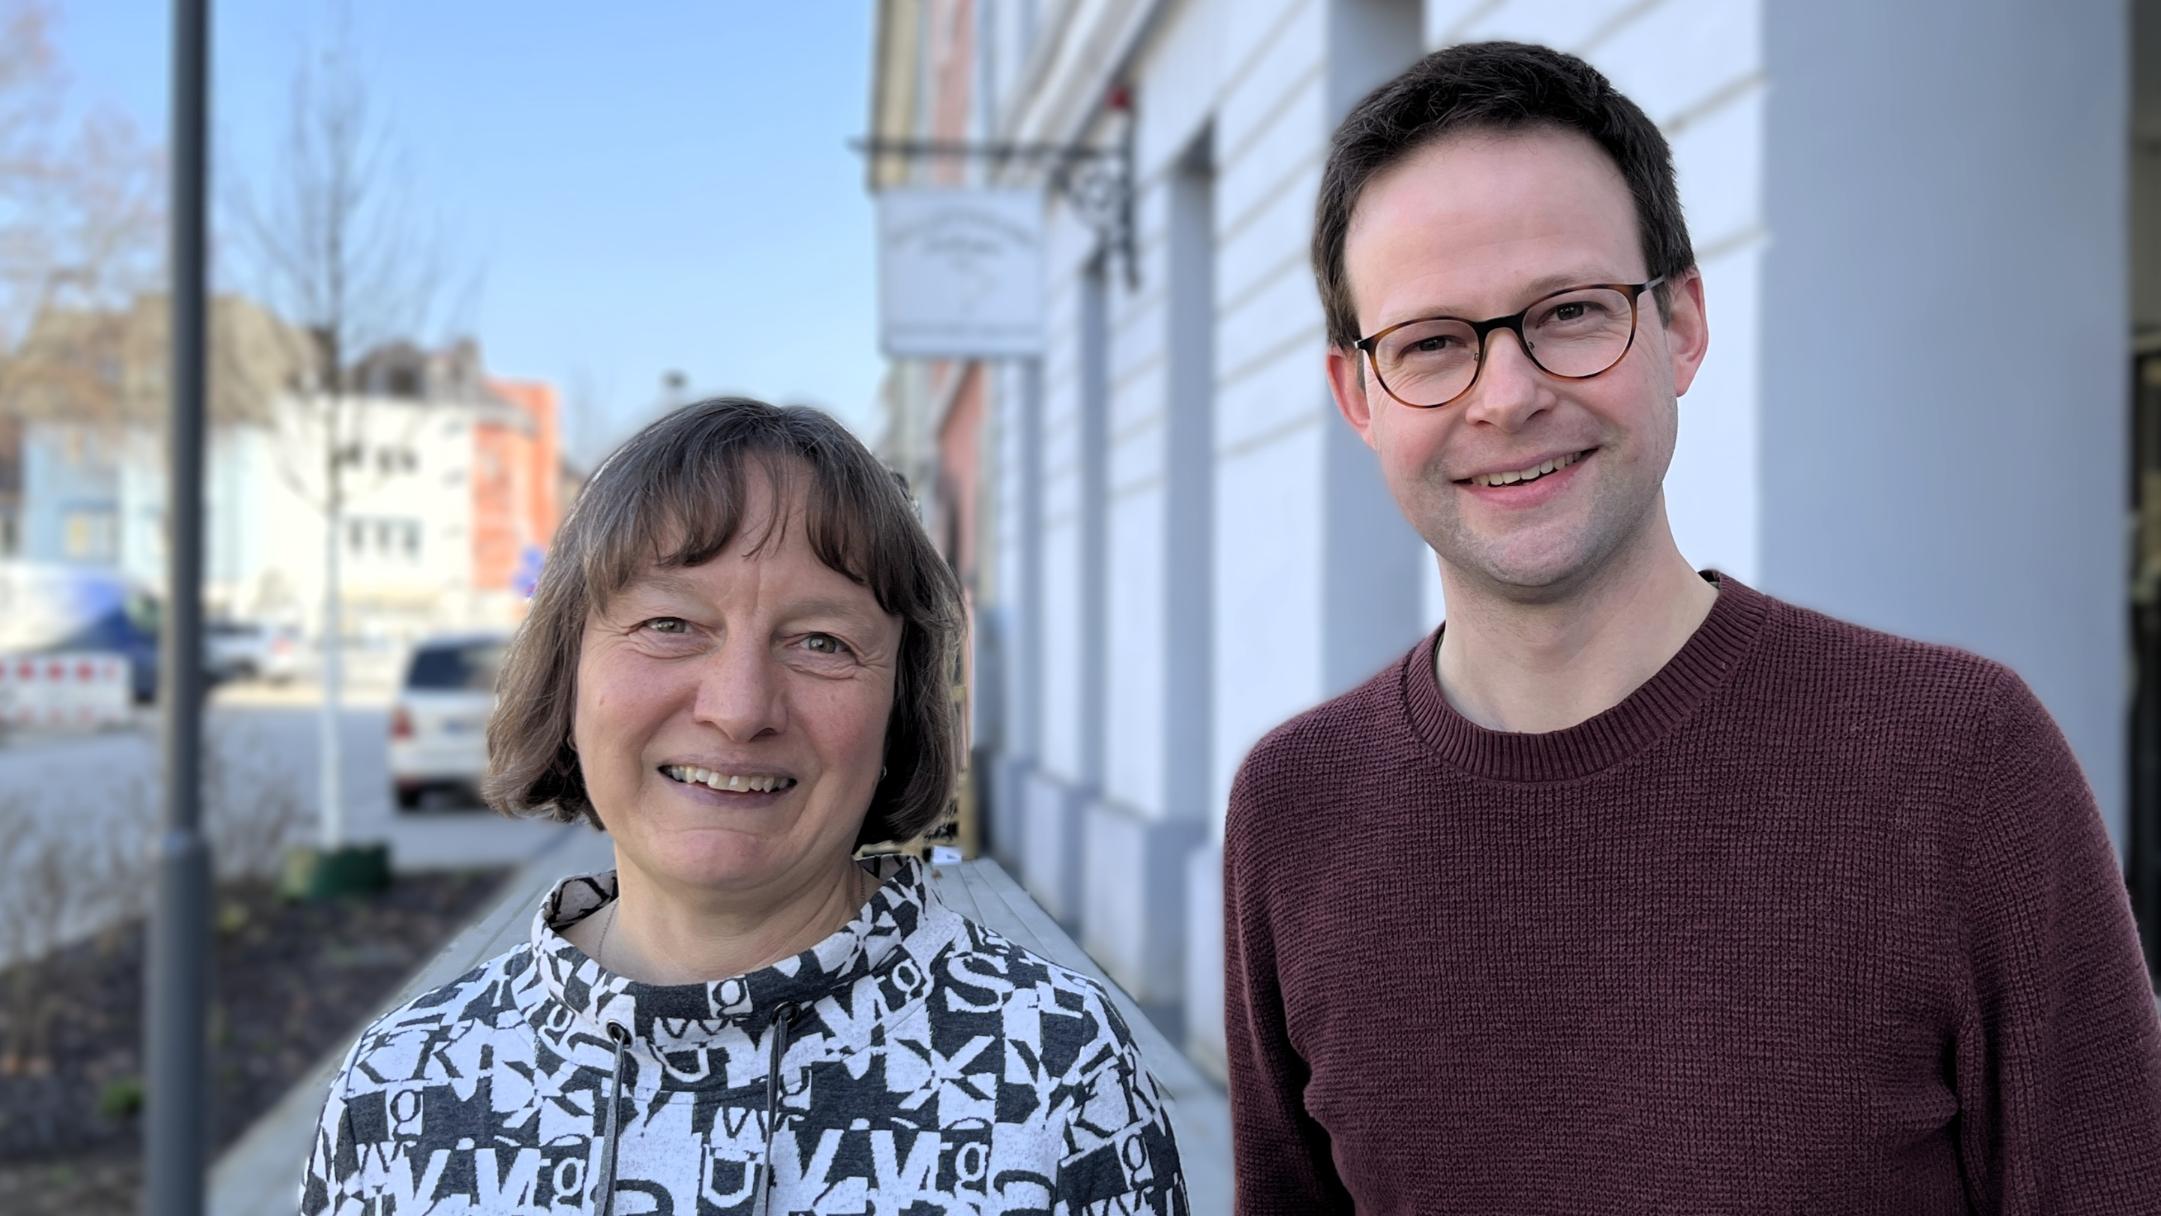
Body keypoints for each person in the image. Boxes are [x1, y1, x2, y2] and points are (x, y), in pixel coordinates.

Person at [1223, 40, 2161, 1212]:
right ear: (1358, 395)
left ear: (1681, 325)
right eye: (1430, 343)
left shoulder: (1961, 761)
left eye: (1568, 312)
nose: (1505, 396)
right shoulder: (1293, 808)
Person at [301, 398, 1187, 1215]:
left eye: (820, 641)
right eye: (670, 624)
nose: (738, 706)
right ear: (569, 671)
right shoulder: (399, 1086)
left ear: (898, 708)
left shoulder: (1053, 1067)